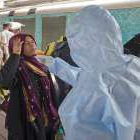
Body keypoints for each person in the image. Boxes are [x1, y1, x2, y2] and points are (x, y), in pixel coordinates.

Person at [50, 5, 140, 140]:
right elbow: (83, 77)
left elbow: (79, 126)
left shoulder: (93, 88)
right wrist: (53, 65)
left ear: (84, 42)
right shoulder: (133, 64)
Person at [0, 33, 60, 140]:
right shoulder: (16, 67)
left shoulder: (41, 66)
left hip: (46, 115)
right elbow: (3, 82)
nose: (32, 45)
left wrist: (57, 111)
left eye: (33, 42)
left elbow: (51, 91)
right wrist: (15, 55)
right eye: (27, 43)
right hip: (24, 119)